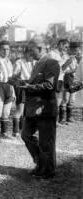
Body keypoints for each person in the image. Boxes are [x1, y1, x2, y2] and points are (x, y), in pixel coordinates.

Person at [20, 40, 60, 179]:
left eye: (32, 51)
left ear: (40, 48)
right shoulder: (37, 63)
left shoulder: (52, 62)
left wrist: (30, 87)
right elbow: (37, 82)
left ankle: (48, 170)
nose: (30, 54)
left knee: (46, 141)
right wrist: (23, 83)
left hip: (45, 108)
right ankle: (40, 162)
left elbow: (49, 85)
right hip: (33, 108)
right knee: (25, 134)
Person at [0, 40, 15, 142]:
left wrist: (13, 91)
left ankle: (4, 133)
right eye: (3, 49)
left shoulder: (9, 62)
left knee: (6, 112)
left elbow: (11, 79)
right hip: (0, 87)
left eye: (7, 49)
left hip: (8, 87)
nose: (6, 51)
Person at [48, 39, 76, 125]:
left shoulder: (62, 55)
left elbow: (63, 70)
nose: (66, 49)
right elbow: (56, 69)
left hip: (61, 79)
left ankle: (55, 121)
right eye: (65, 46)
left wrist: (71, 67)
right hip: (53, 79)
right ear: (60, 45)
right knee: (54, 101)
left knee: (58, 101)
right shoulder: (52, 54)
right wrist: (67, 63)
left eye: (67, 47)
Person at [11, 46, 36, 136]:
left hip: (30, 86)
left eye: (32, 54)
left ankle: (23, 129)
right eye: (29, 54)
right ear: (25, 53)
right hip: (21, 86)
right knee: (19, 110)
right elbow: (13, 77)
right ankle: (15, 131)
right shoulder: (19, 62)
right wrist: (20, 82)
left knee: (27, 110)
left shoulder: (34, 62)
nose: (31, 56)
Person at [62, 42, 82, 122]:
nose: (77, 52)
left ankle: (69, 117)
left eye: (78, 50)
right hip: (66, 79)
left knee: (72, 99)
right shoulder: (65, 57)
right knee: (65, 98)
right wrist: (75, 70)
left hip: (74, 80)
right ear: (71, 49)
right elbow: (63, 70)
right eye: (76, 50)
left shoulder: (78, 58)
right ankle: (62, 118)